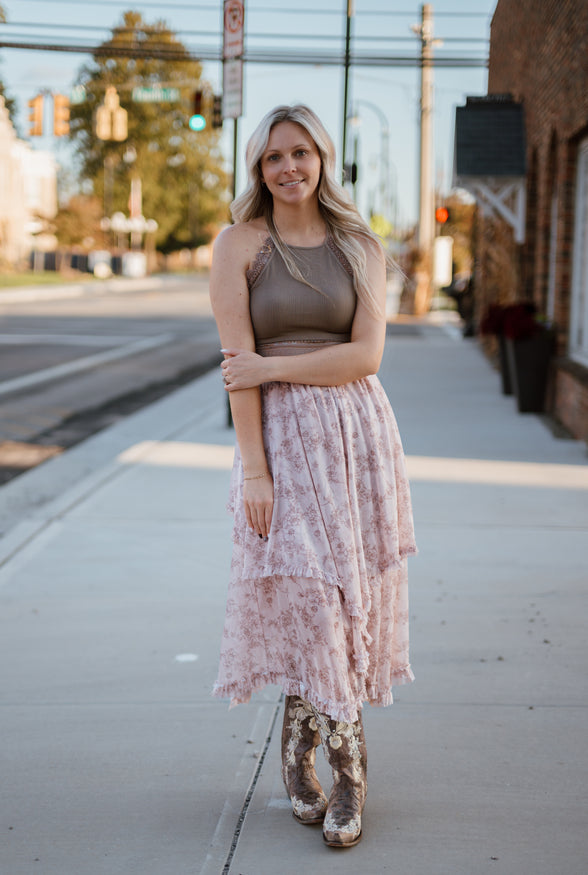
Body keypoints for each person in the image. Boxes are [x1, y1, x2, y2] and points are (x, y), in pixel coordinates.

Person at [209, 104, 416, 849]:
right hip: (280, 444)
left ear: (323, 159)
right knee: (311, 600)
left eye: (301, 153)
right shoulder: (239, 244)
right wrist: (256, 473)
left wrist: (274, 364)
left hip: (356, 438)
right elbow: (239, 370)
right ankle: (341, 770)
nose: (288, 168)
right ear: (258, 169)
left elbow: (366, 357)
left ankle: (310, 756)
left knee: (341, 598)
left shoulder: (359, 244)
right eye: (273, 158)